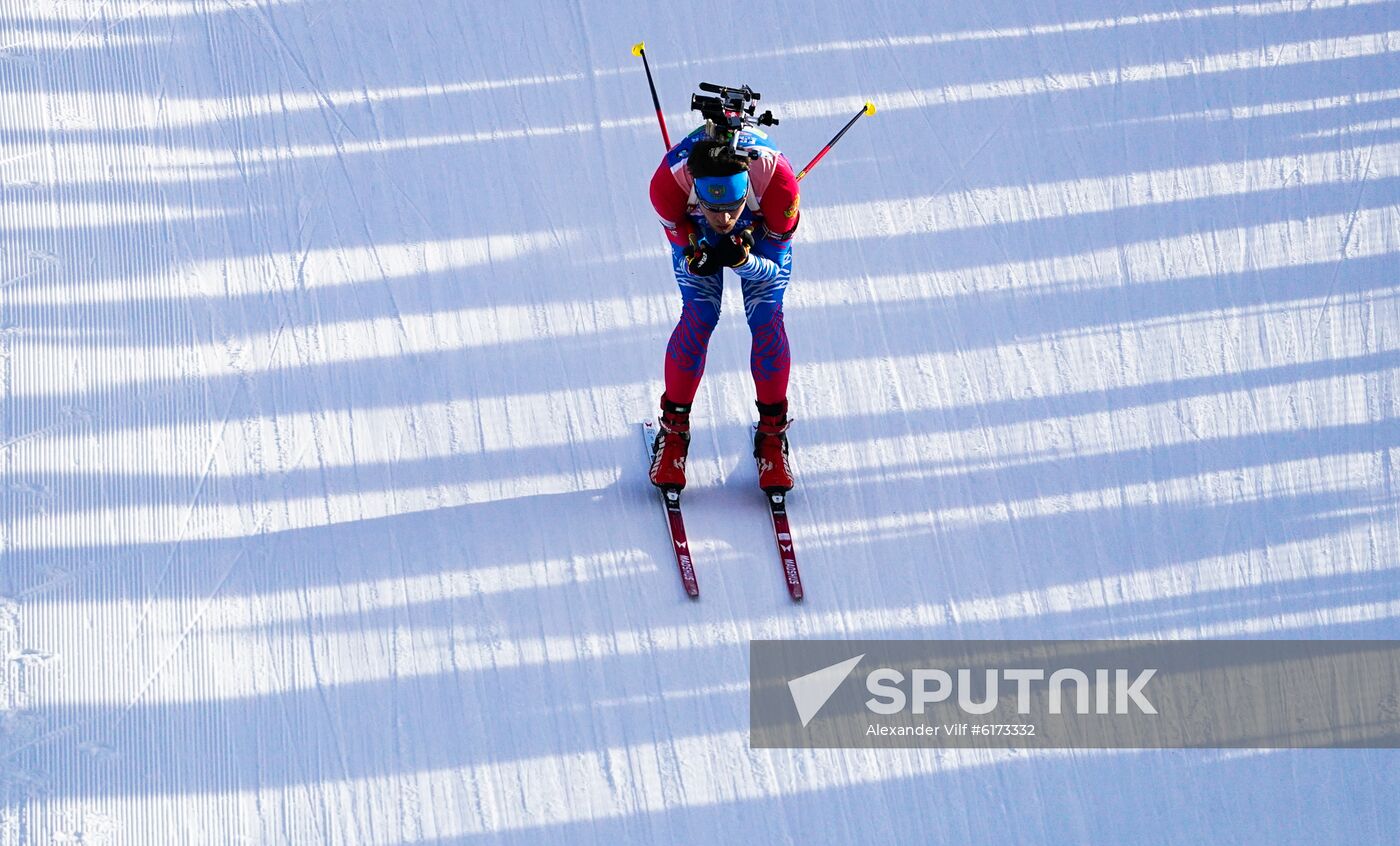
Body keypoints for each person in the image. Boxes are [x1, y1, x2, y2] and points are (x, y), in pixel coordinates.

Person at [647, 122, 801, 493]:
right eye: (713, 208)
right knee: (700, 314)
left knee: (766, 317)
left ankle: (771, 436)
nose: (724, 219)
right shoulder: (667, 186)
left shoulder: (780, 184)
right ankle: (674, 432)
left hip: (761, 225)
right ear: (695, 186)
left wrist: (742, 260)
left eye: (731, 207)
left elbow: (773, 268)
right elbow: (681, 238)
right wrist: (694, 255)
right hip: (694, 225)